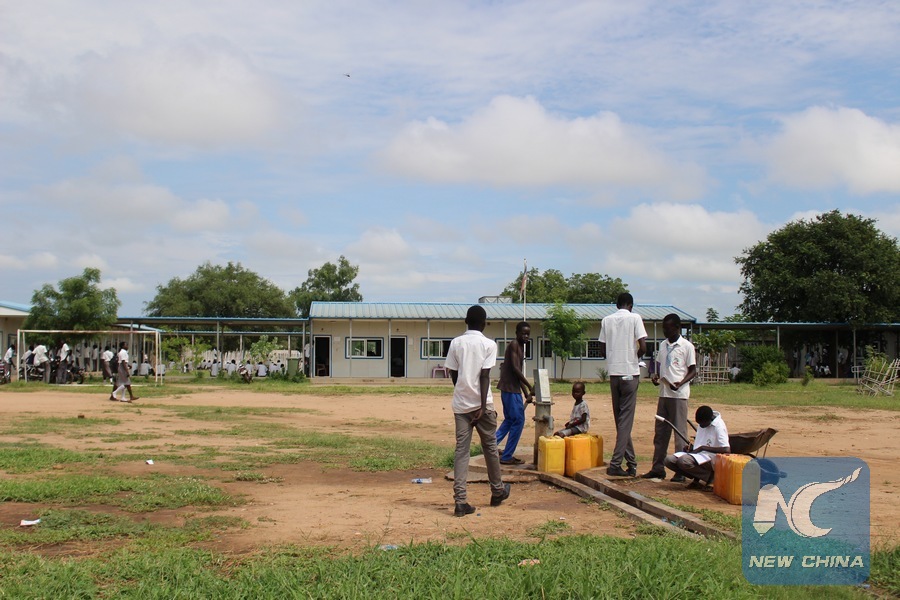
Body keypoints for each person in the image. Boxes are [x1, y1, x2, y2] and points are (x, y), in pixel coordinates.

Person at [445, 305, 510, 517]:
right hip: (483, 406)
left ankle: (460, 501)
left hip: (461, 406)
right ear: (484, 324)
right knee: (490, 447)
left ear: (466, 321)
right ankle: (497, 490)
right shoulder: (489, 344)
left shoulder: (456, 343)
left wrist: (462, 391)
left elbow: (454, 374)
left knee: (461, 452)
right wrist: (481, 406)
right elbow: (484, 376)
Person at [642, 314, 696, 481]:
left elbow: (693, 370)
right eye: (664, 328)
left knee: (679, 434)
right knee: (660, 433)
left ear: (677, 328)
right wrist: (656, 377)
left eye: (668, 328)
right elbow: (660, 367)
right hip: (664, 394)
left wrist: (681, 383)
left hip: (678, 395)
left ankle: (681, 471)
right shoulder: (663, 345)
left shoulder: (686, 346)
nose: (665, 331)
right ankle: (657, 468)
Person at [598, 292, 647, 477]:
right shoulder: (635, 318)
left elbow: (602, 348)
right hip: (630, 373)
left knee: (621, 421)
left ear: (617, 305)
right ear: (631, 306)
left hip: (614, 374)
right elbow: (643, 347)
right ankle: (616, 463)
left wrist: (614, 358)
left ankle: (631, 462)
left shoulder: (606, 320)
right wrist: (634, 359)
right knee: (625, 421)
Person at [495, 321, 534, 465]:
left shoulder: (521, 347)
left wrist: (526, 393)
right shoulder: (514, 345)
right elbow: (515, 369)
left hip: (511, 389)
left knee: (510, 420)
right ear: (516, 333)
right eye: (523, 334)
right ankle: (507, 456)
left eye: (528, 334)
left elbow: (517, 373)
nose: (526, 337)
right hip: (510, 389)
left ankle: (490, 446)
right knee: (518, 421)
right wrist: (529, 386)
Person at [664, 405, 729, 488]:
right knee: (669, 460)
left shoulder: (719, 426)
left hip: (712, 457)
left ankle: (712, 478)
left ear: (709, 420)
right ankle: (699, 478)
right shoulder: (703, 422)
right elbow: (700, 443)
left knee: (683, 461)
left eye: (702, 424)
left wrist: (703, 448)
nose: (700, 426)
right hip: (700, 456)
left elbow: (726, 449)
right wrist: (691, 448)